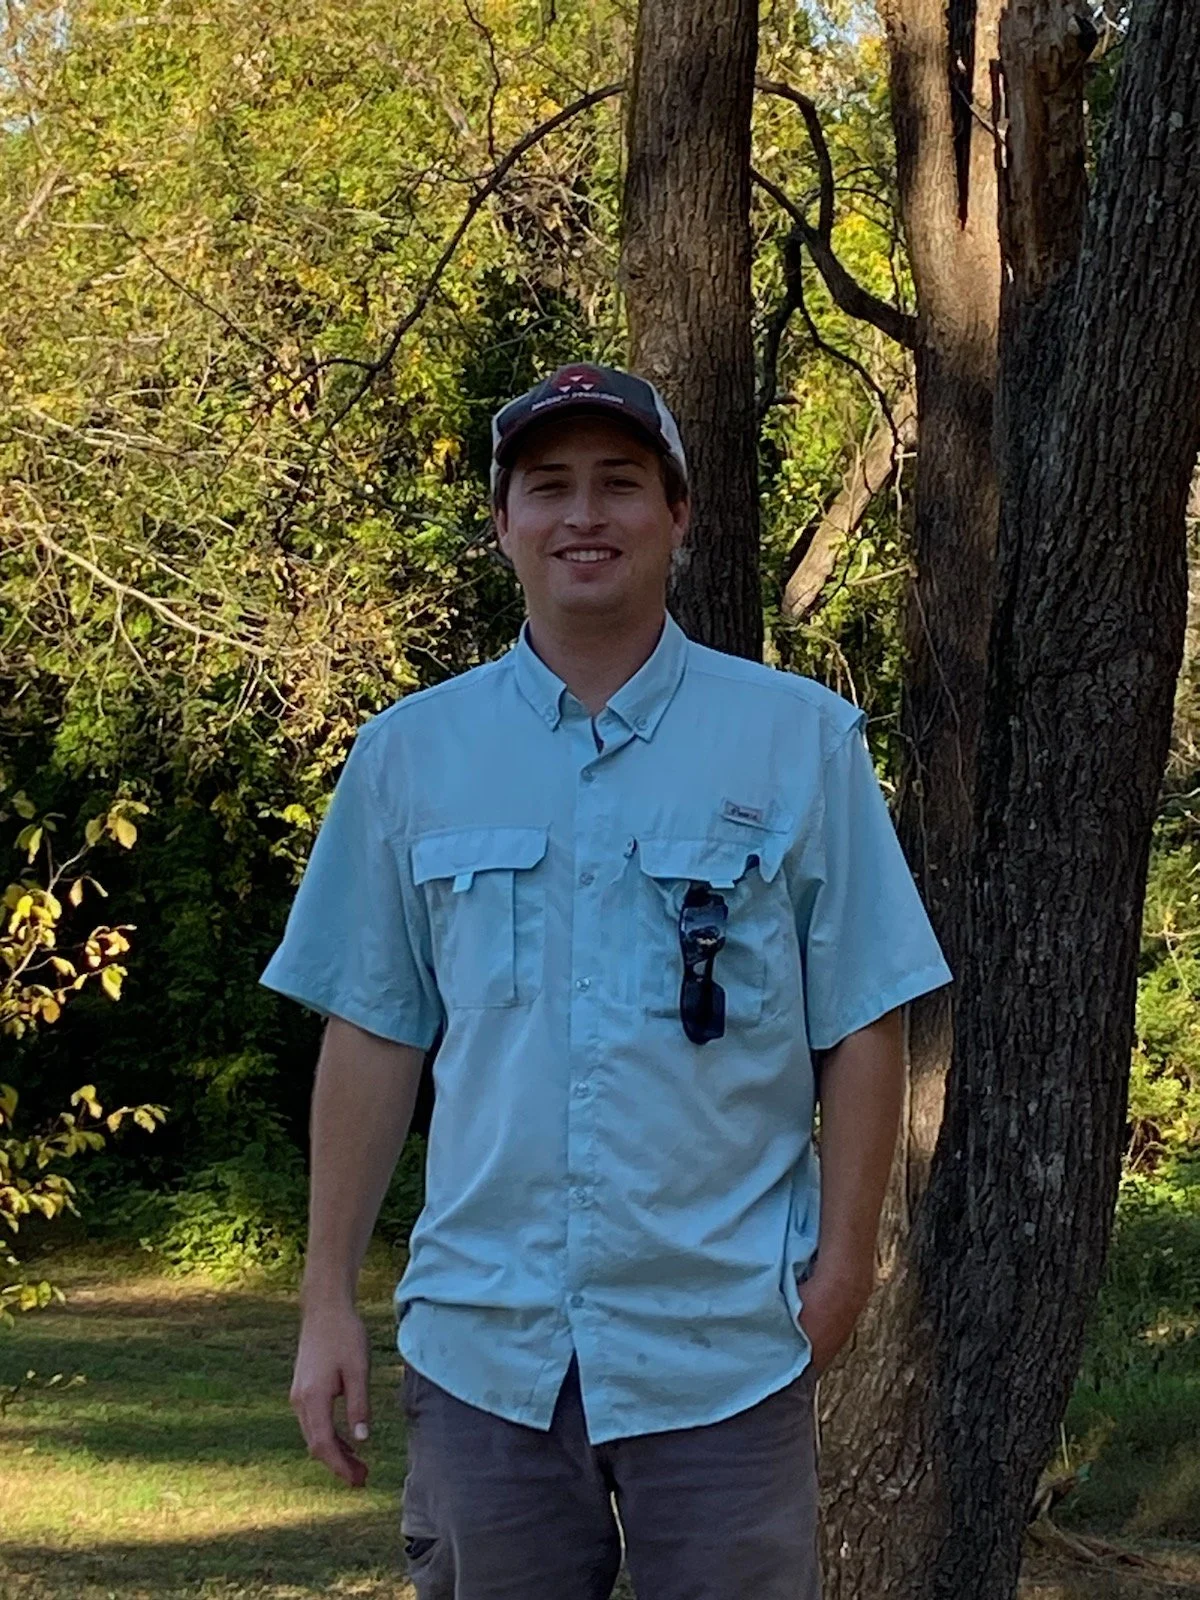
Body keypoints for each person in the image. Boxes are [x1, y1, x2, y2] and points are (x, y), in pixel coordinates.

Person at [261, 362, 952, 1600]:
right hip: (487, 1349)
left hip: (725, 1345)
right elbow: (373, 1032)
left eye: (621, 484)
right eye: (550, 486)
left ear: (677, 515)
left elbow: (864, 1017)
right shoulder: (408, 757)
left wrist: (843, 1273)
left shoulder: (799, 745)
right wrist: (326, 1304)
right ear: (503, 523)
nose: (585, 514)